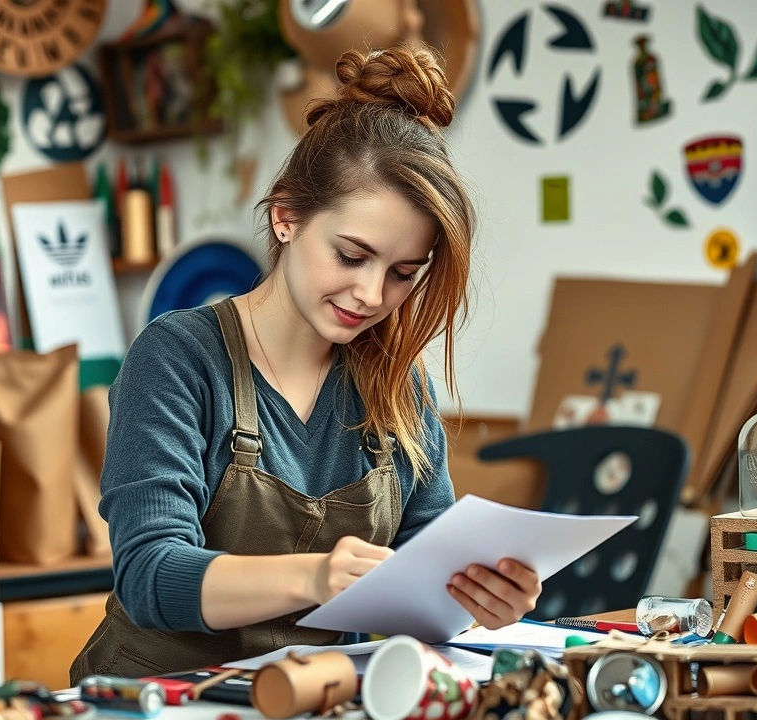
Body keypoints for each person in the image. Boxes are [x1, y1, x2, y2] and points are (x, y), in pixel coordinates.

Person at [71, 44, 541, 683]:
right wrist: (316, 575)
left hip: (312, 695)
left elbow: (426, 579)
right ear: (287, 217)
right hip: (157, 697)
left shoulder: (397, 388)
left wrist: (478, 598)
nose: (374, 296)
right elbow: (150, 575)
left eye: (403, 273)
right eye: (352, 257)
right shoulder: (178, 358)